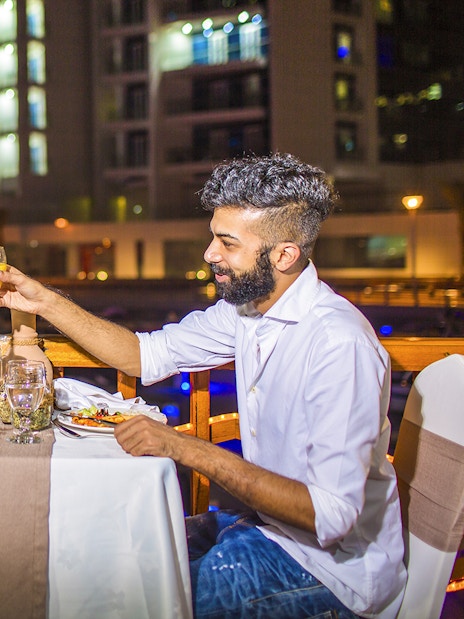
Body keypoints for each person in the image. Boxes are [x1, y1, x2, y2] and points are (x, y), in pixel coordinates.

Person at [0, 153, 406, 618]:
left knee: (137, 601)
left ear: (285, 254)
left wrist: (184, 447)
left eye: (226, 242)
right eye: (214, 236)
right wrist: (44, 301)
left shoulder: (338, 345)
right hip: (266, 529)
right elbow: (142, 354)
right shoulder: (249, 309)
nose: (209, 253)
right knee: (116, 556)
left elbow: (330, 517)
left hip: (334, 575)